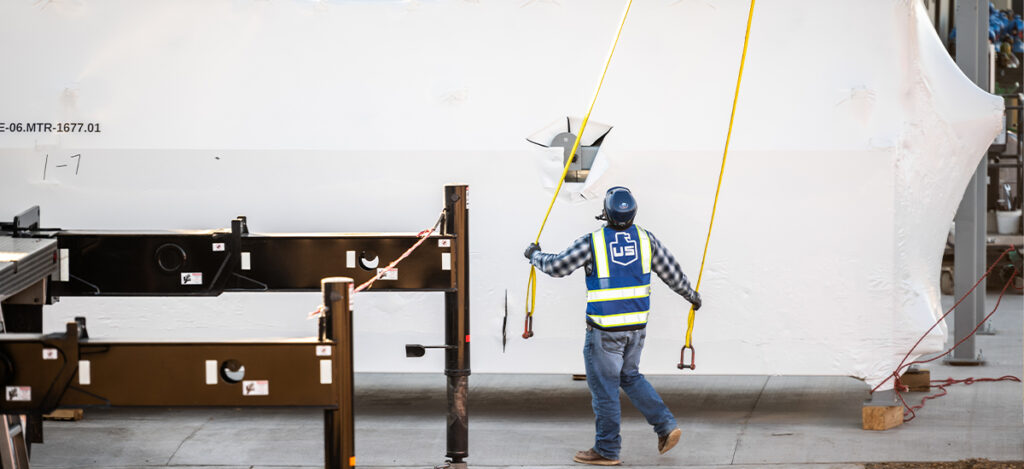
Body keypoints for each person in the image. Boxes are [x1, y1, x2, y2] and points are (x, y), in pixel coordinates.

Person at [523, 186, 703, 466]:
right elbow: (673, 274)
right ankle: (666, 426)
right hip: (636, 329)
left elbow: (557, 266)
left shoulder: (592, 242)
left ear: (605, 213)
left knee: (605, 389)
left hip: (604, 333)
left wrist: (534, 255)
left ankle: (607, 450)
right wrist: (691, 296)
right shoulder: (646, 240)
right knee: (630, 376)